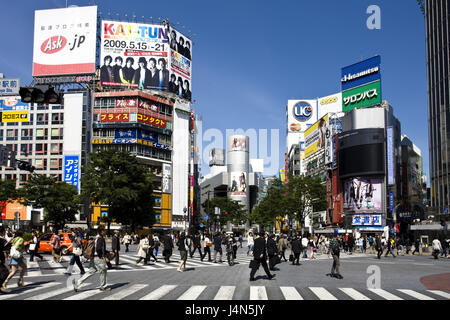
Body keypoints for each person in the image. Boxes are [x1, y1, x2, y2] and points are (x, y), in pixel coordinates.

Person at [73, 226, 110, 292]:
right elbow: (98, 248)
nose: (105, 232)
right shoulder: (101, 238)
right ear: (102, 231)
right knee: (103, 271)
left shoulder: (96, 238)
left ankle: (78, 282)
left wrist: (108, 252)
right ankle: (103, 286)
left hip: (93, 257)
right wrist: (103, 256)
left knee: (90, 272)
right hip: (98, 258)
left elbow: (95, 248)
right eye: (104, 230)